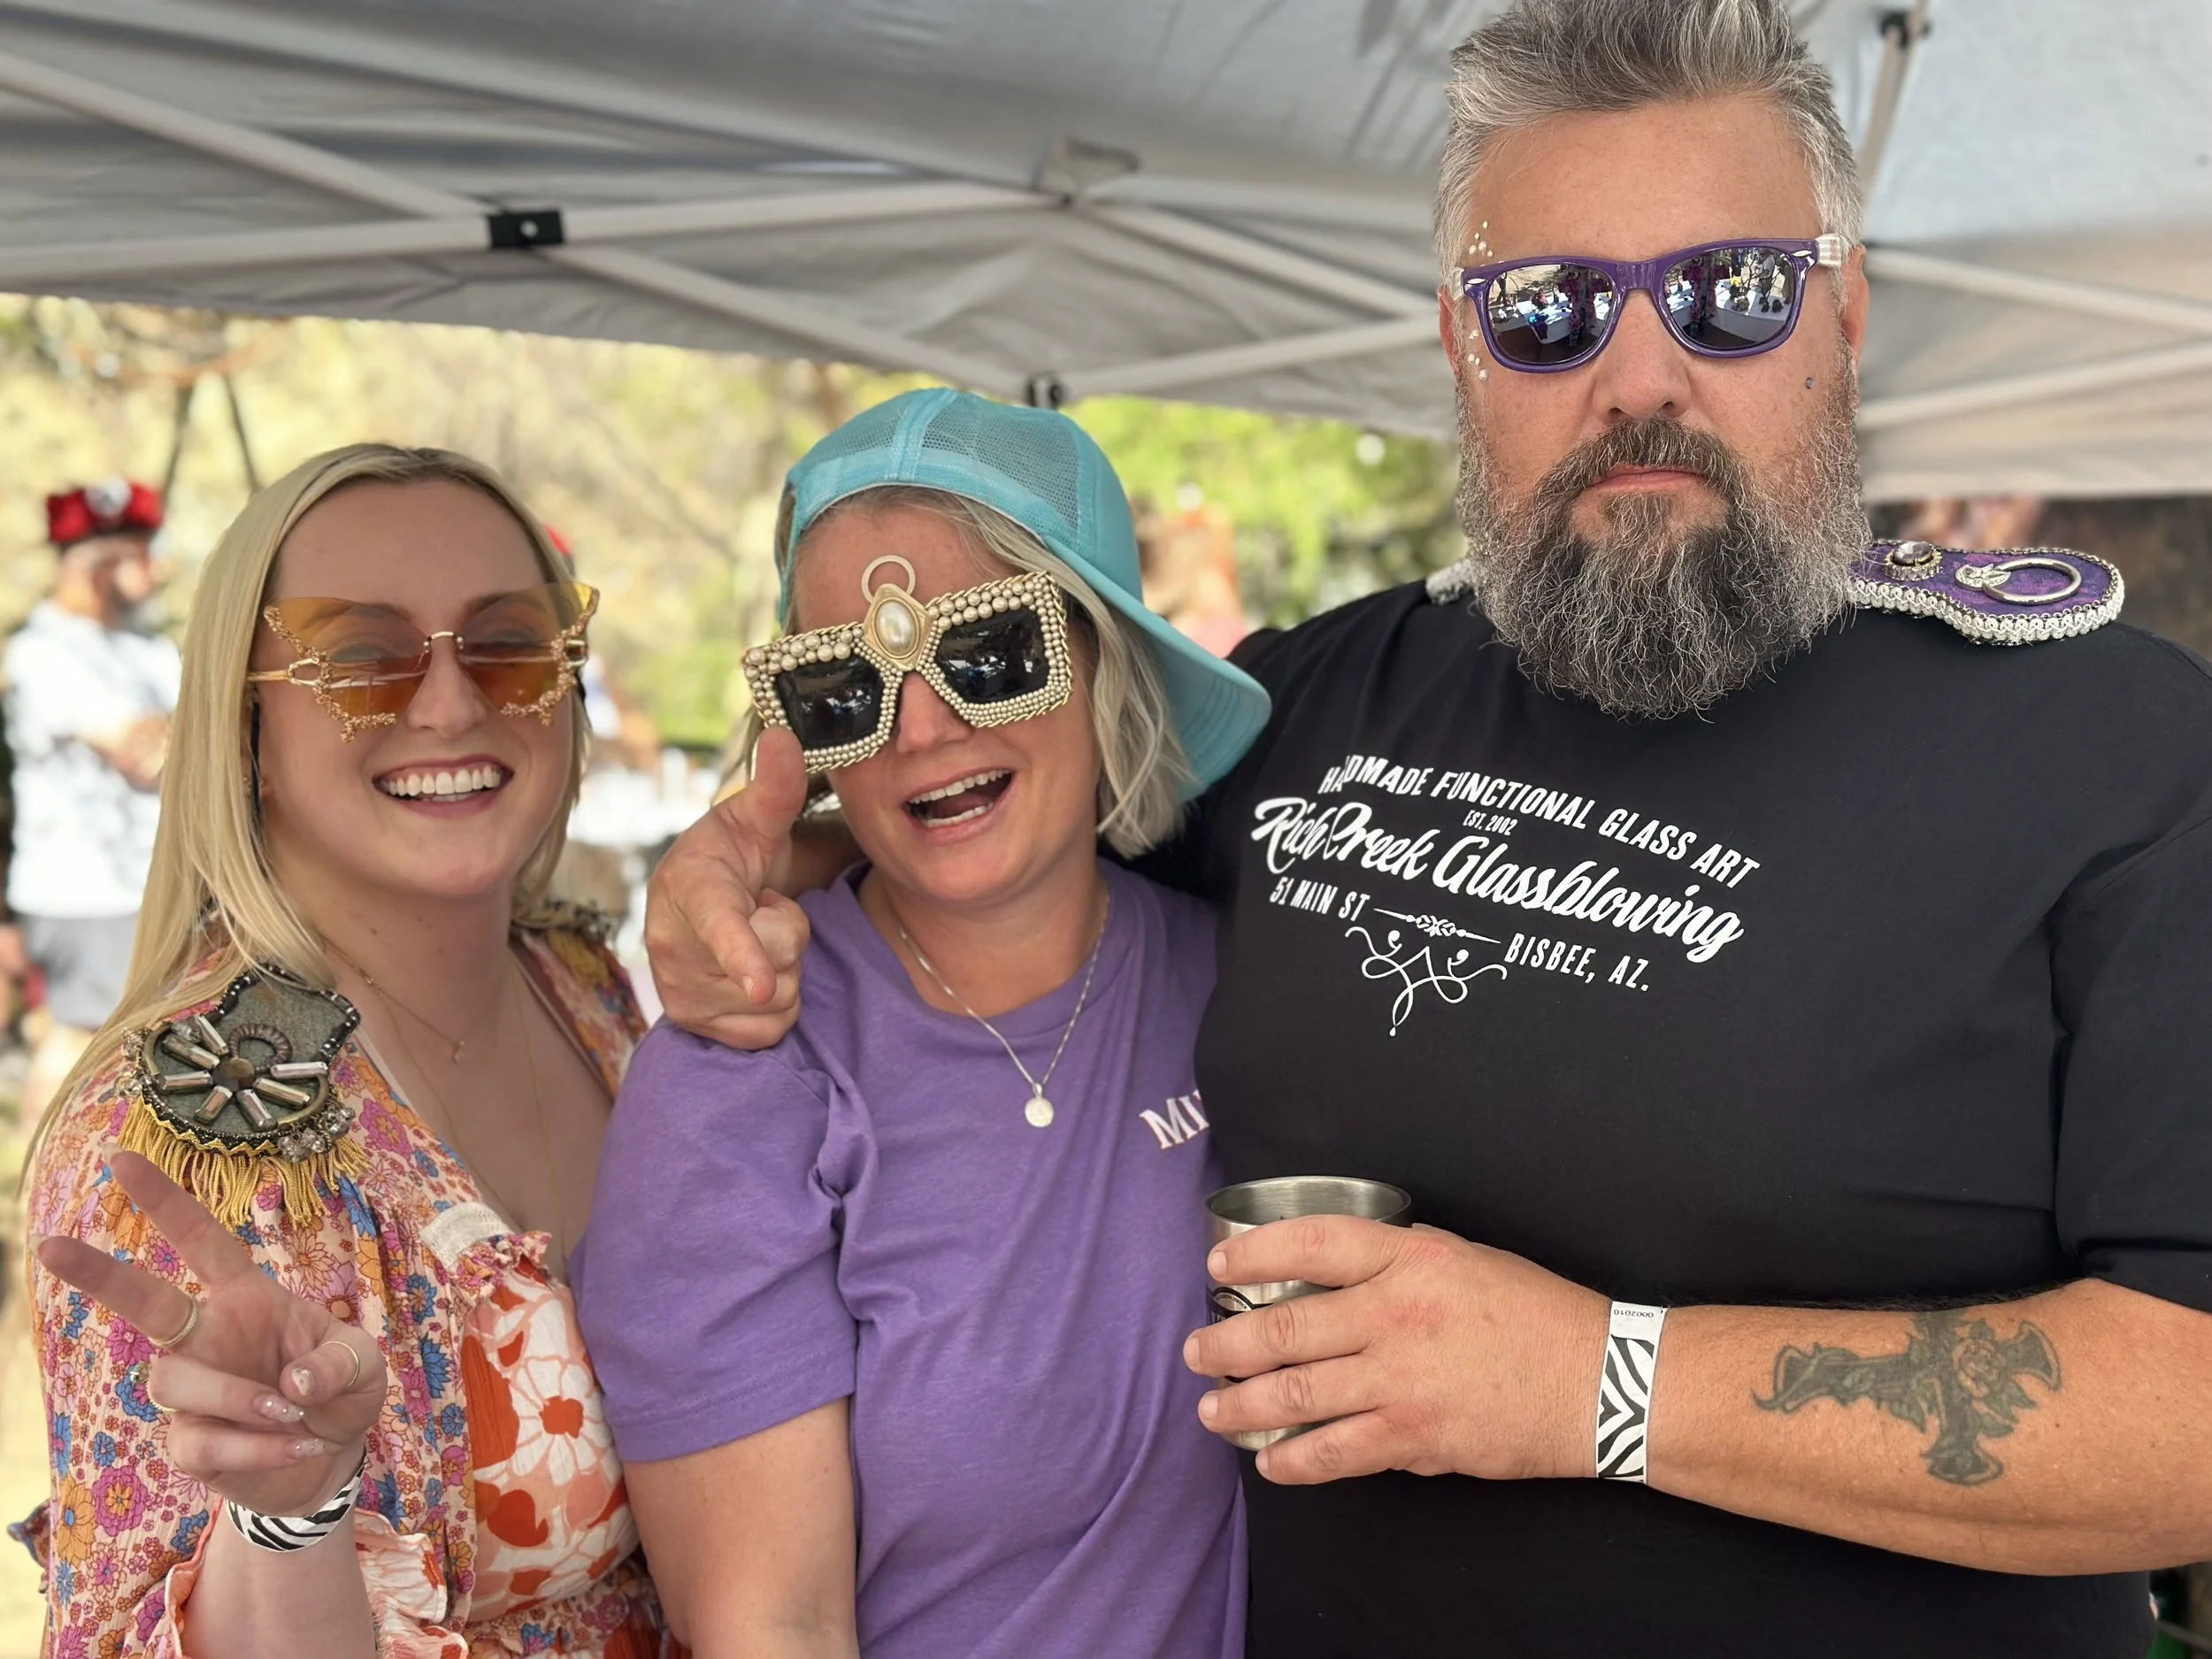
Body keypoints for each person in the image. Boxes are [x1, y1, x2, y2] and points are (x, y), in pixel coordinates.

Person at [637, 4, 2212, 1655]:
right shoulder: (1319, 705)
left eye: (1730, 295)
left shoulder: (2107, 751)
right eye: (1549, 313)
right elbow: (998, 816)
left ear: (1844, 311)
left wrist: (1596, 1383)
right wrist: (756, 861)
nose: (1642, 378)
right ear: (1462, 349)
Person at [572, 388, 1267, 1658]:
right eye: (846, 690)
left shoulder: (1250, 969)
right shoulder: (744, 1068)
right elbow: (771, 1627)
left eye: (991, 651)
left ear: (1104, 650)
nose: (924, 726)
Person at [19, 444, 673, 1656]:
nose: (448, 704)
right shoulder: (177, 1130)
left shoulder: (587, 988)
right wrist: (289, 1516)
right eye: (361, 655)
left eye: (511, 643)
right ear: (245, 720)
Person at [4, 479, 180, 1116]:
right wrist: (184, 737)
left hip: (147, 882)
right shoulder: (43, 652)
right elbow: (144, 756)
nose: (156, 567)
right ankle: (35, 1205)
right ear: (100, 565)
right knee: (81, 1041)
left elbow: (189, 745)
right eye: (141, 551)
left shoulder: (150, 649)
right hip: (86, 889)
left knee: (141, 1046)